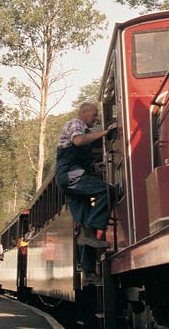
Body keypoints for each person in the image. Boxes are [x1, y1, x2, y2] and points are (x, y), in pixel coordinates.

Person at [55, 101, 115, 285]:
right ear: (84, 112)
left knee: (84, 229)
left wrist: (94, 166)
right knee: (106, 190)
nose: (95, 118)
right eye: (94, 114)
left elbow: (78, 158)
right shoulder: (76, 124)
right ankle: (93, 228)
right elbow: (78, 141)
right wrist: (105, 133)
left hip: (72, 174)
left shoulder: (82, 129)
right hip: (69, 175)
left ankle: (88, 274)